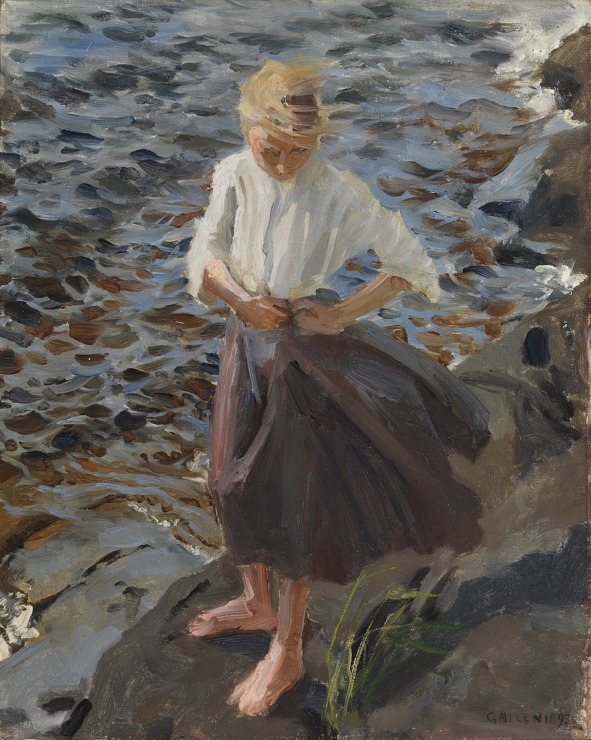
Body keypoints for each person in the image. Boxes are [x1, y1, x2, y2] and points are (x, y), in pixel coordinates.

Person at [185, 60, 489, 716]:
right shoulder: (236, 173)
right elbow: (206, 254)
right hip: (247, 338)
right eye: (276, 144)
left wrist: (342, 313)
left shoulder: (336, 190)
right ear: (251, 128)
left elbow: (408, 261)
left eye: (302, 147)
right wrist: (240, 298)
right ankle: (256, 601)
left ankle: (288, 649)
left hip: (305, 350)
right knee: (226, 477)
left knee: (294, 498)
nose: (289, 159)